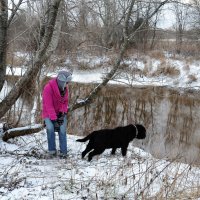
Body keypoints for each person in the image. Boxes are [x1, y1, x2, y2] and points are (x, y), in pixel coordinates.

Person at [42, 70, 72, 158]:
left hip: (60, 113)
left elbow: (65, 102)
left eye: (68, 83)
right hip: (48, 113)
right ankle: (52, 151)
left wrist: (62, 114)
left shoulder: (65, 89)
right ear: (61, 81)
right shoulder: (48, 88)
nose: (67, 85)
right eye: (66, 83)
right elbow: (48, 105)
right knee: (50, 128)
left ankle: (63, 152)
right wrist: (54, 119)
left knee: (62, 130)